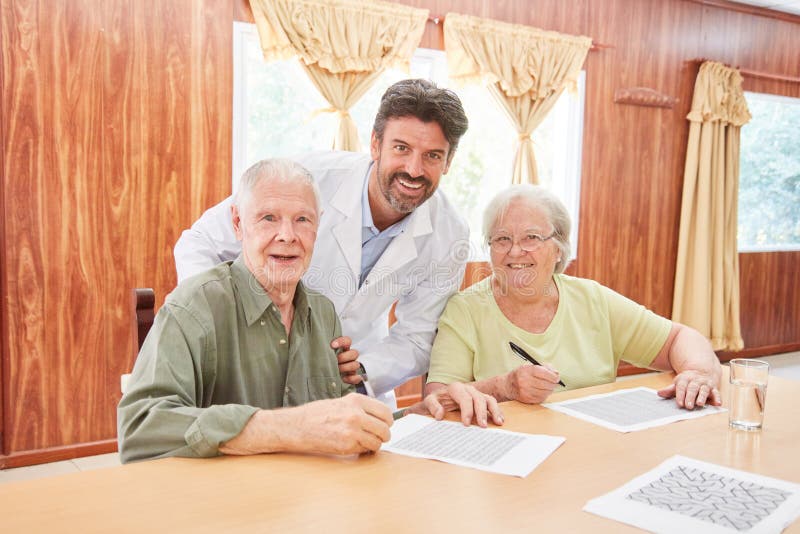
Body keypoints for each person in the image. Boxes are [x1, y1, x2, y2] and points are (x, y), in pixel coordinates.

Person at [173, 79, 471, 408]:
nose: (414, 169)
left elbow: (418, 336)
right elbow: (199, 243)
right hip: (257, 365)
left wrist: (359, 369)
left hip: (351, 381)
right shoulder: (307, 177)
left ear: (448, 161)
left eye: (432, 156)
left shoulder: (450, 233)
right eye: (401, 148)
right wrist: (217, 328)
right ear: (375, 145)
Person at [117, 159, 396, 462]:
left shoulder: (324, 313)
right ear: (237, 224)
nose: (287, 235)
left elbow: (334, 422)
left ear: (319, 226)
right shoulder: (193, 308)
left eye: (303, 219)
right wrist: (288, 428)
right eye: (268, 218)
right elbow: (140, 430)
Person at [425, 184, 722, 410]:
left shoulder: (592, 299)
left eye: (531, 238)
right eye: (502, 239)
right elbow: (435, 402)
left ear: (558, 248)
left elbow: (680, 339)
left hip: (589, 451)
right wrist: (504, 387)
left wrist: (697, 372)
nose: (515, 251)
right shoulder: (464, 310)